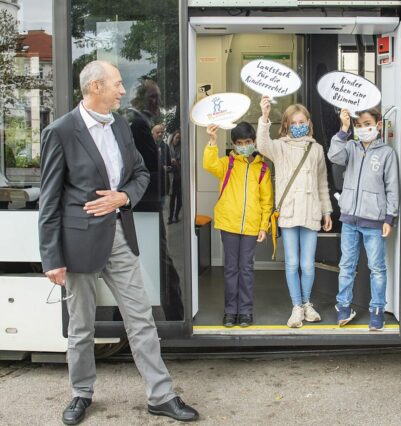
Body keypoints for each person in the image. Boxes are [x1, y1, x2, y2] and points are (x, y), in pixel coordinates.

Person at [38, 61, 198, 424]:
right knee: (81, 327)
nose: (123, 91)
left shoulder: (121, 126)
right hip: (78, 244)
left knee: (141, 319)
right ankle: (81, 393)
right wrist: (52, 257)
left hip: (119, 238)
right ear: (95, 87)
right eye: (116, 84)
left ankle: (161, 396)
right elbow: (49, 200)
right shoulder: (60, 131)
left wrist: (123, 197)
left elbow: (141, 173)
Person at [257, 95, 333, 328]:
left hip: (311, 211)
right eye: (294, 122)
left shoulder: (317, 149)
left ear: (309, 123)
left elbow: (322, 182)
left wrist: (327, 211)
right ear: (287, 125)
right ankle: (297, 307)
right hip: (289, 212)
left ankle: (307, 304)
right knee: (291, 263)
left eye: (303, 122)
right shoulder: (279, 147)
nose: (299, 126)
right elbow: (262, 145)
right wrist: (265, 116)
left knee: (307, 264)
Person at [328, 108, 399, 331]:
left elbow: (392, 188)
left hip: (374, 220)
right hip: (350, 218)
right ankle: (343, 307)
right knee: (346, 265)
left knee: (377, 267)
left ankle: (377, 311)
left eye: (366, 124)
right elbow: (333, 156)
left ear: (378, 125)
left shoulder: (387, 153)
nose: (362, 129)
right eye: (358, 125)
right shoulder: (350, 147)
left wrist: (389, 217)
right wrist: (344, 129)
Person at [203, 122, 273, 327]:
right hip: (229, 224)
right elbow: (209, 164)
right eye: (239, 143)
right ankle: (230, 311)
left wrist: (263, 226)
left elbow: (266, 201)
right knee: (231, 269)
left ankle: (245, 311)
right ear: (233, 144)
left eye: (248, 142)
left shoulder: (262, 169)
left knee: (246, 269)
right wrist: (212, 141)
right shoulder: (227, 164)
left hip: (251, 226)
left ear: (254, 142)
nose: (244, 146)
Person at [127, 78, 184, 321]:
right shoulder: (139, 124)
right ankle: (177, 318)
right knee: (161, 262)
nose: (157, 102)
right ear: (140, 99)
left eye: (157, 97)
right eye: (152, 97)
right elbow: (148, 167)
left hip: (147, 203)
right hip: (146, 203)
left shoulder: (141, 122)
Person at [168, 130, 182, 224]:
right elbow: (165, 160)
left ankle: (176, 216)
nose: (177, 140)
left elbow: (182, 161)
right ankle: (170, 218)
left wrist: (176, 162)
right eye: (176, 137)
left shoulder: (181, 148)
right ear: (173, 137)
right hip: (171, 176)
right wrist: (170, 161)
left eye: (179, 138)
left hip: (180, 175)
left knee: (180, 198)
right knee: (172, 198)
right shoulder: (168, 148)